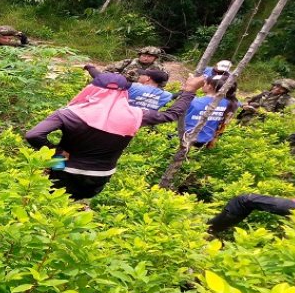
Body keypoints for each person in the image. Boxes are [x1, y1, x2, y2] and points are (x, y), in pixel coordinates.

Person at [25, 73, 205, 200]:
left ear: (92, 88)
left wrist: (58, 151)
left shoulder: (68, 113)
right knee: (80, 201)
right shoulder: (137, 114)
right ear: (124, 92)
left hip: (65, 169)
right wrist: (189, 90)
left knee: (53, 203)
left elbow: (34, 135)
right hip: (101, 175)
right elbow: (171, 114)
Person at [184, 75, 239, 147]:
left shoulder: (194, 101)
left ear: (209, 86)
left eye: (205, 83)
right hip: (207, 140)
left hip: (187, 138)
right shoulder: (231, 103)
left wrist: (188, 86)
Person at [84, 64, 172, 110]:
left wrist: (90, 67)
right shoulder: (166, 95)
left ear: (148, 78)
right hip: (145, 124)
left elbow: (103, 78)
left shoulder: (133, 87)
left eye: (142, 75)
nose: (139, 76)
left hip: (123, 120)